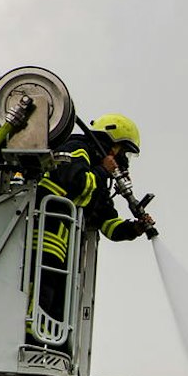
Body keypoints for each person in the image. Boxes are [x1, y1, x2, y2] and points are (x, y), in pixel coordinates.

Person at [30, 114, 155, 341]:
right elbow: (76, 183)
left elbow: (106, 221)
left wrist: (132, 229)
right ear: (114, 145)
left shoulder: (99, 174)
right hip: (40, 235)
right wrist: (103, 171)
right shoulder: (78, 148)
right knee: (39, 290)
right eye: (124, 152)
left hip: (63, 247)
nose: (124, 160)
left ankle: (47, 343)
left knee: (58, 300)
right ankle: (28, 338)